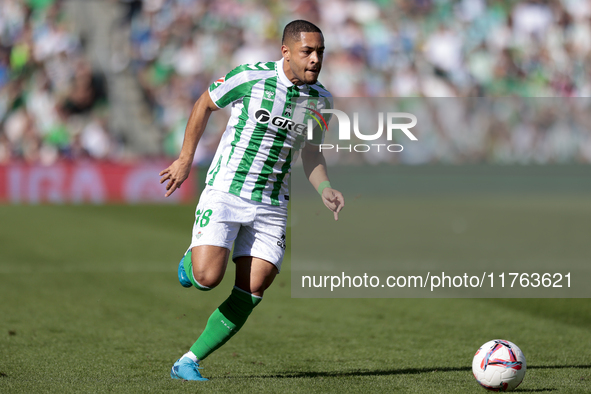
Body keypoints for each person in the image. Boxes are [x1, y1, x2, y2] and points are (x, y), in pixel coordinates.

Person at [159, 20, 344, 381]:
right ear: (285, 52)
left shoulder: (321, 100)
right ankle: (190, 261)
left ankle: (188, 362)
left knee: (254, 287)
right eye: (308, 51)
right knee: (206, 278)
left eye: (320, 52)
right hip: (228, 188)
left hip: (273, 203)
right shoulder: (251, 77)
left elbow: (311, 154)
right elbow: (204, 104)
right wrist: (185, 159)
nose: (316, 59)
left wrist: (325, 189)